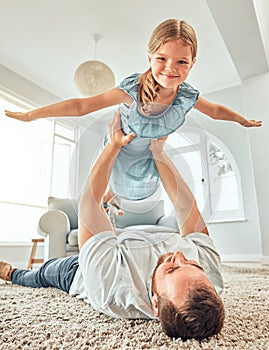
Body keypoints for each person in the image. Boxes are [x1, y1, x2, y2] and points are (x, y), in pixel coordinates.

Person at [0, 111, 225, 340]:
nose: (178, 255)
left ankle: (13, 273)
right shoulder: (211, 279)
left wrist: (113, 145)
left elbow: (88, 202)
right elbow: (186, 207)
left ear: (155, 304)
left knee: (44, 273)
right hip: (125, 246)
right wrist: (158, 153)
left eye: (172, 269)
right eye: (192, 264)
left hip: (82, 270)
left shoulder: (110, 287)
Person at [4, 18, 262, 201]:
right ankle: (106, 200)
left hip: (148, 152)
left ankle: (120, 199)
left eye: (181, 61)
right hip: (121, 146)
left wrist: (241, 120)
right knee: (112, 179)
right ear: (149, 57)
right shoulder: (132, 91)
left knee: (142, 182)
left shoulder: (186, 96)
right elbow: (81, 106)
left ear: (192, 63)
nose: (171, 68)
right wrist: (31, 115)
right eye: (162, 58)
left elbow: (215, 111)